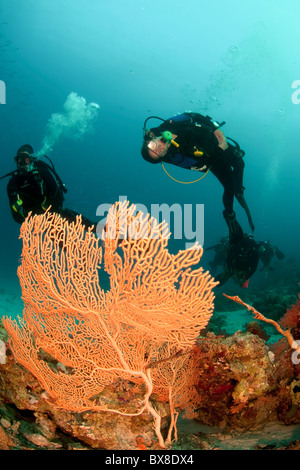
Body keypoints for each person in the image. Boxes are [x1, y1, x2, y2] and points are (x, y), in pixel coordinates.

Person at [141, 112, 255, 232]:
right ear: (164, 155)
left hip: (213, 138)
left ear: (150, 140)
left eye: (153, 146)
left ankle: (239, 191)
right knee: (229, 187)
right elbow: (202, 166)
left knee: (239, 163)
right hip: (214, 156)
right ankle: (230, 215)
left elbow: (192, 115)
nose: (160, 146)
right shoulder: (175, 157)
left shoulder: (165, 125)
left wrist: (215, 129)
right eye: (160, 152)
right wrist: (220, 149)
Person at [3, 145, 96, 231]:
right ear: (16, 162)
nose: (22, 163)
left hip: (52, 209)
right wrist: (24, 220)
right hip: (36, 218)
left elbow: (56, 191)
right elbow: (14, 209)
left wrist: (55, 206)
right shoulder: (13, 183)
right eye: (20, 160)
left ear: (31, 160)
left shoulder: (41, 172)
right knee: (61, 241)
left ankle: (102, 229)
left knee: (83, 223)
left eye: (26, 160)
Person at [215, 211, 259, 288]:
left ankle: (230, 217)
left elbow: (254, 265)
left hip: (238, 265)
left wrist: (246, 277)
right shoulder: (237, 248)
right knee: (228, 274)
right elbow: (229, 256)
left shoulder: (249, 251)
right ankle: (230, 217)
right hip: (236, 262)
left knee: (230, 275)